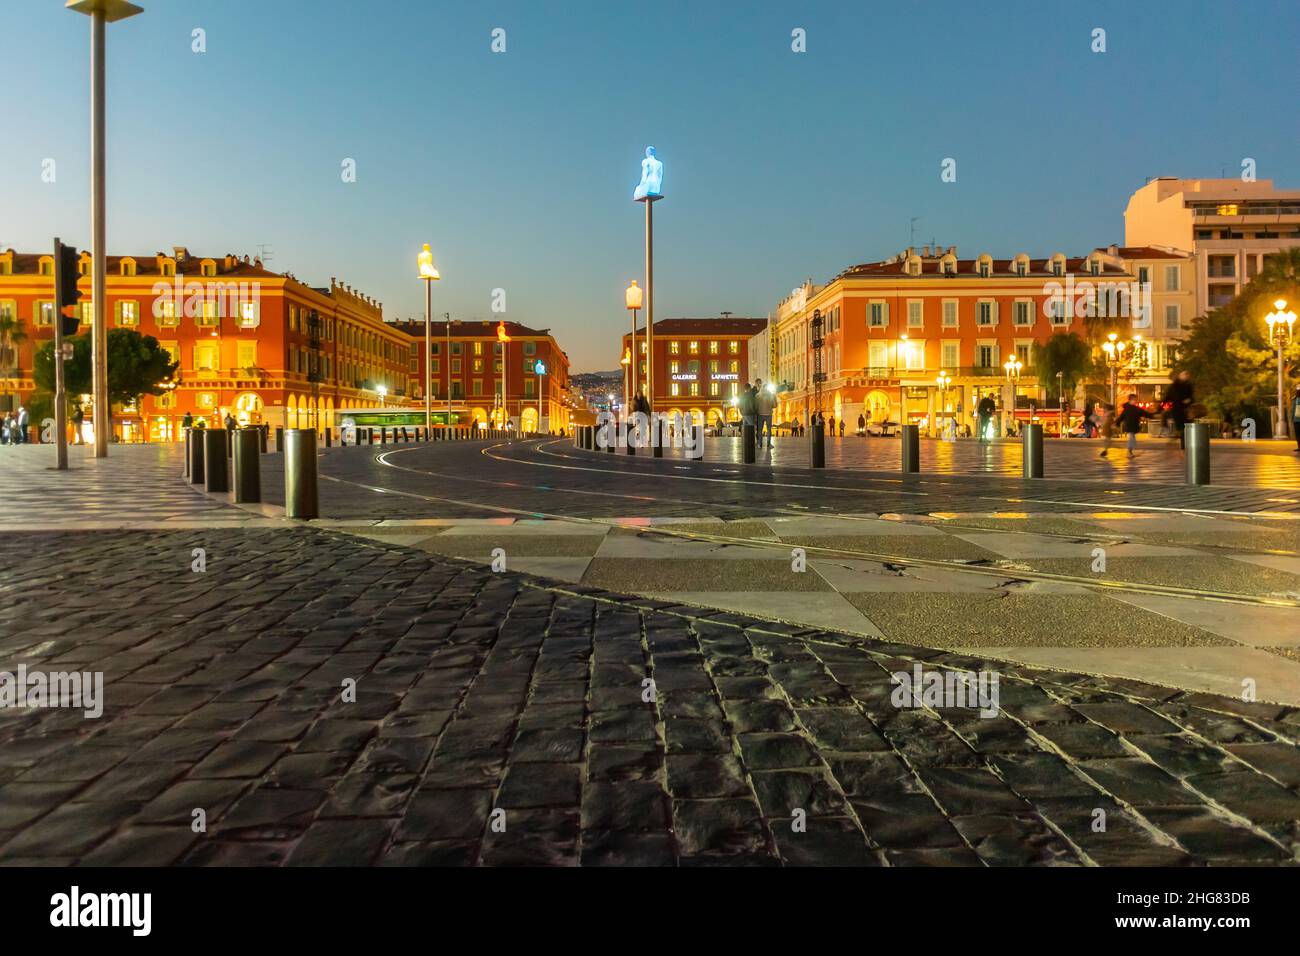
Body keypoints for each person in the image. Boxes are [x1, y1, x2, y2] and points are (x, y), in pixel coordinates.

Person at [1165, 370, 1194, 450]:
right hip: (1177, 410)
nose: (1186, 377)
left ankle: (1182, 443)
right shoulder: (1174, 386)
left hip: (1186, 410)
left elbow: (1191, 397)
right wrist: (1160, 407)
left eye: (1187, 375)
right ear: (1180, 376)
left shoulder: (1189, 385)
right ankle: (1182, 445)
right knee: (1181, 428)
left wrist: (1189, 400)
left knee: (1185, 428)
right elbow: (1168, 397)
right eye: (1184, 375)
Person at [753, 380, 775, 449]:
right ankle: (769, 444)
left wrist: (756, 413)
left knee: (760, 430)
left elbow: (755, 406)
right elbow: (773, 405)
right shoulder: (770, 395)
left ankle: (759, 444)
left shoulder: (757, 395)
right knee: (769, 429)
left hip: (760, 414)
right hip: (768, 414)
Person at [1291, 384, 1300, 454]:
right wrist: (1292, 418)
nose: (1298, 391)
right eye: (1297, 389)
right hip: (1296, 420)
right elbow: (1293, 409)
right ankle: (1299, 447)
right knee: (1297, 434)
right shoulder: (1294, 399)